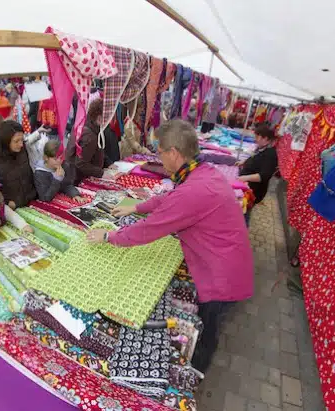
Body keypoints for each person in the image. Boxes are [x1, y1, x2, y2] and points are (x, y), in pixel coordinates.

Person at [87, 119, 253, 376]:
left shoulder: (194, 188)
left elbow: (148, 230)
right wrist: (136, 206)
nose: (158, 157)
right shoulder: (201, 171)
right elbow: (171, 197)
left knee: (206, 330)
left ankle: (195, 373)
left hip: (220, 272)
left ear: (173, 152)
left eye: (160, 151)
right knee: (207, 321)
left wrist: (109, 236)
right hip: (225, 259)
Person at [0, 120, 38, 209]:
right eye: (16, 141)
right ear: (5, 141)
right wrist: (7, 202)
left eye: (22, 140)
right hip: (13, 207)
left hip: (32, 200)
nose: (21, 144)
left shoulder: (22, 149)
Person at [237, 124, 279, 226]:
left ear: (265, 139)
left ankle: (242, 232)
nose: (255, 139)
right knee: (243, 211)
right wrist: (244, 162)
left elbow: (263, 176)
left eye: (257, 137)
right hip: (248, 186)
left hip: (254, 191)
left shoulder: (270, 155)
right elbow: (254, 158)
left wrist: (244, 178)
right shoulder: (261, 149)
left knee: (245, 213)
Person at [65, 98, 108, 184]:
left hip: (75, 174)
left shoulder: (84, 121)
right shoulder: (90, 136)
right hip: (79, 179)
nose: (108, 121)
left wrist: (107, 164)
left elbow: (96, 150)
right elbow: (81, 164)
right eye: (107, 118)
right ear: (99, 118)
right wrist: (101, 172)